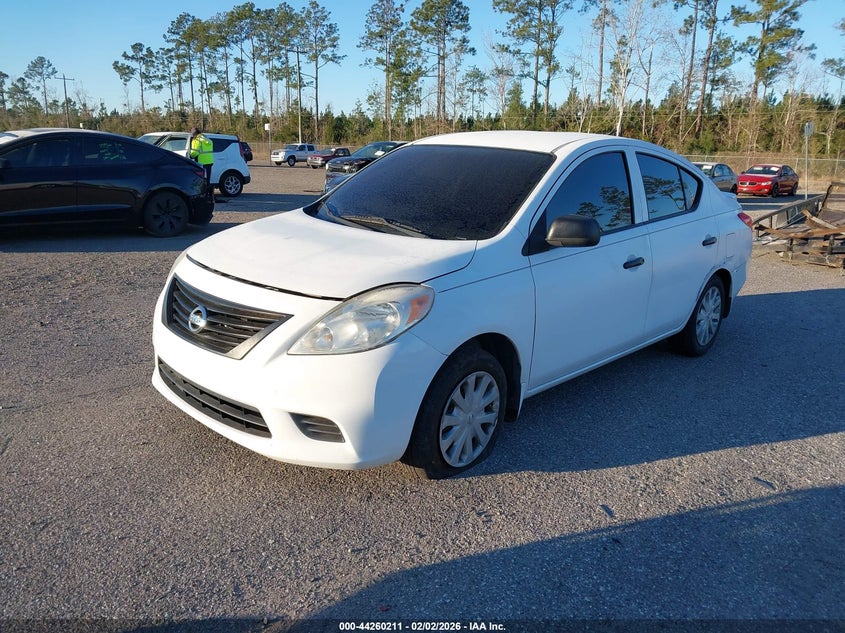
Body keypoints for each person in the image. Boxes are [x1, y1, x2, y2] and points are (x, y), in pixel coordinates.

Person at [189, 127, 214, 191]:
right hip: (209, 162)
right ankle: (209, 194)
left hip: (201, 163)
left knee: (201, 180)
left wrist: (190, 156)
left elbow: (194, 152)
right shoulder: (206, 138)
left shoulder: (197, 140)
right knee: (207, 180)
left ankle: (203, 193)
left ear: (194, 134)